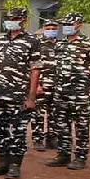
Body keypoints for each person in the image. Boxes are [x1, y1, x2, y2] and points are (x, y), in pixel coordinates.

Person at [0, 8, 41, 179]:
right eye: (8, 18)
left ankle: (15, 165)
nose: (10, 21)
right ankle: (3, 162)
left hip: (18, 95)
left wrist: (31, 97)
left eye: (14, 18)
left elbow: (35, 70)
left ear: (23, 20)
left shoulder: (31, 41)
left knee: (17, 131)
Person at [46, 13, 90, 171]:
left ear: (79, 25)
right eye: (65, 24)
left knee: (81, 126)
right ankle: (63, 155)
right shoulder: (60, 44)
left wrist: (85, 83)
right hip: (61, 93)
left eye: (70, 24)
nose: (67, 27)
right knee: (61, 125)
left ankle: (81, 157)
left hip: (80, 94)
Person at [32, 20, 59, 152]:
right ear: (43, 29)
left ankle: (51, 139)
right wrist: (36, 85)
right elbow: (32, 67)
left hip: (58, 86)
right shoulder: (38, 45)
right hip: (42, 86)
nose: (51, 29)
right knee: (38, 114)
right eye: (48, 27)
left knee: (54, 114)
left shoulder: (61, 45)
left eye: (53, 28)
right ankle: (37, 138)